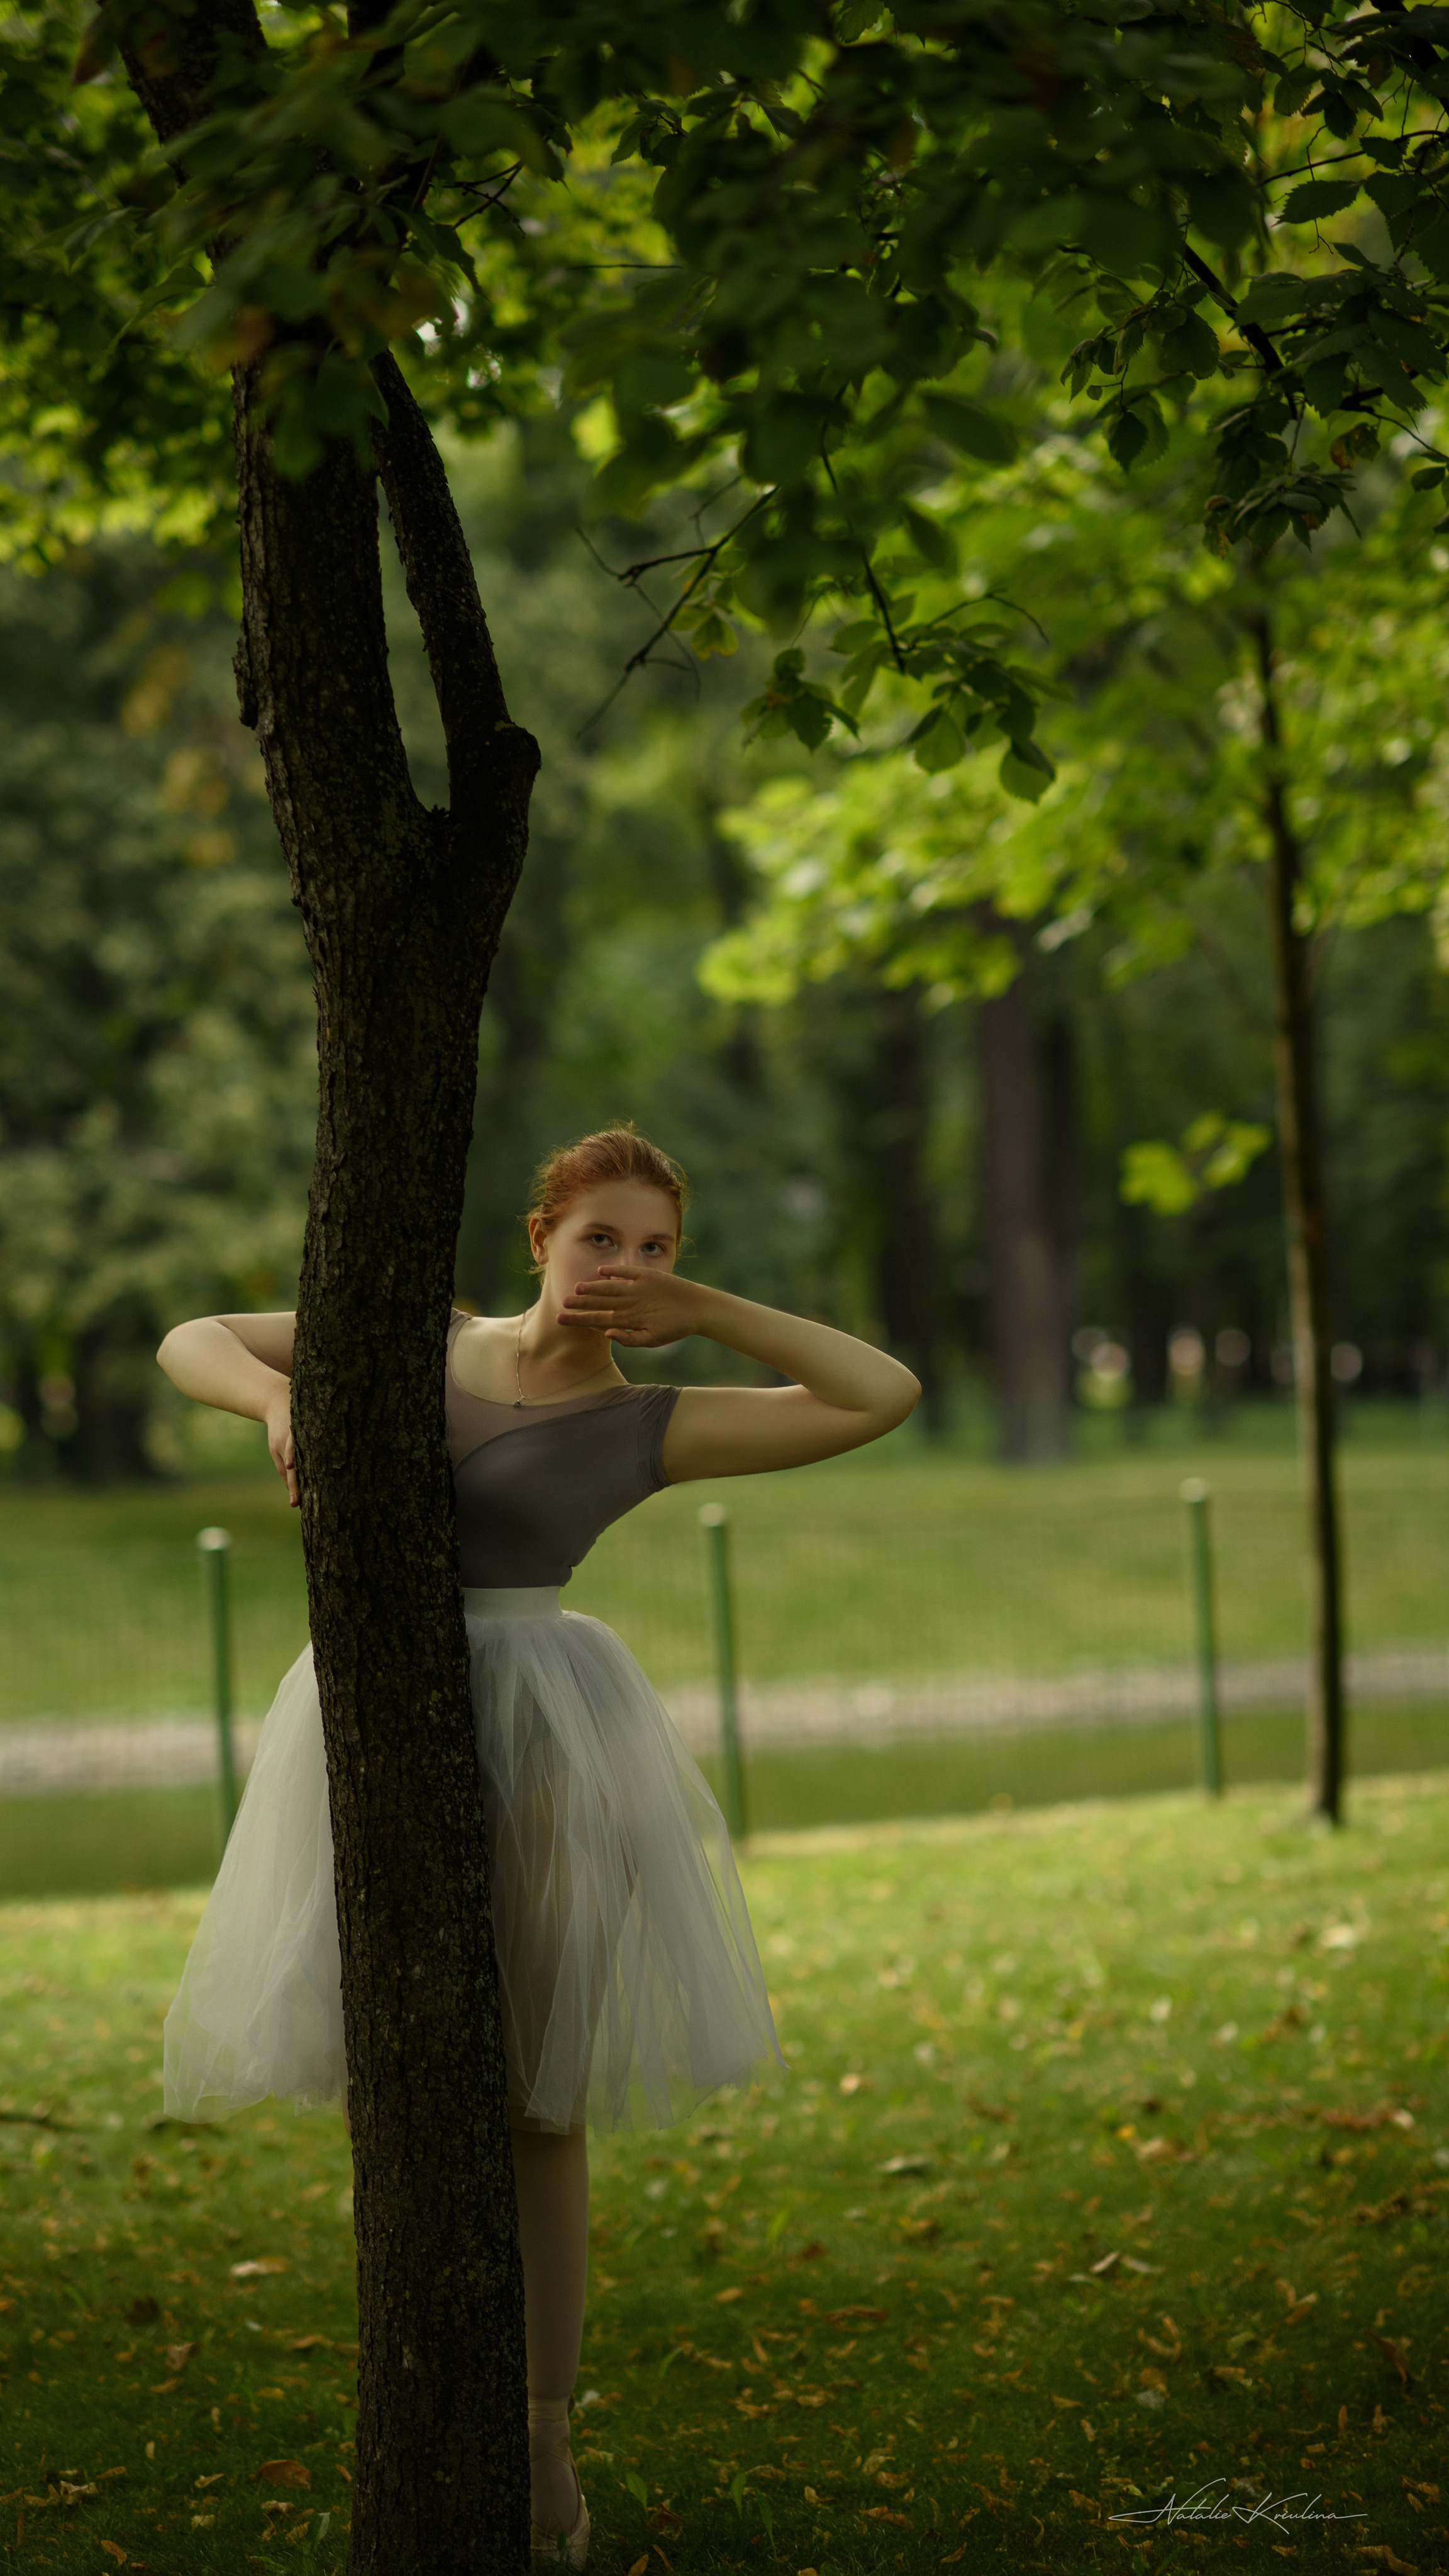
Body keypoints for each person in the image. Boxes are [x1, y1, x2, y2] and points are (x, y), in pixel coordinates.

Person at [155, 1126, 919, 2563]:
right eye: (602, 1241)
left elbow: (881, 1393)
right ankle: (420, 2381)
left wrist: (717, 1315)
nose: (625, 1271)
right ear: (539, 1239)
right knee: (398, 2069)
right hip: (366, 1710)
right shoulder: (419, 1333)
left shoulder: (656, 1420)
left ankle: (543, 2440)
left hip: (549, 1730)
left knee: (535, 2097)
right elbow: (185, 1336)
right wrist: (278, 1397)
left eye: (656, 1250)